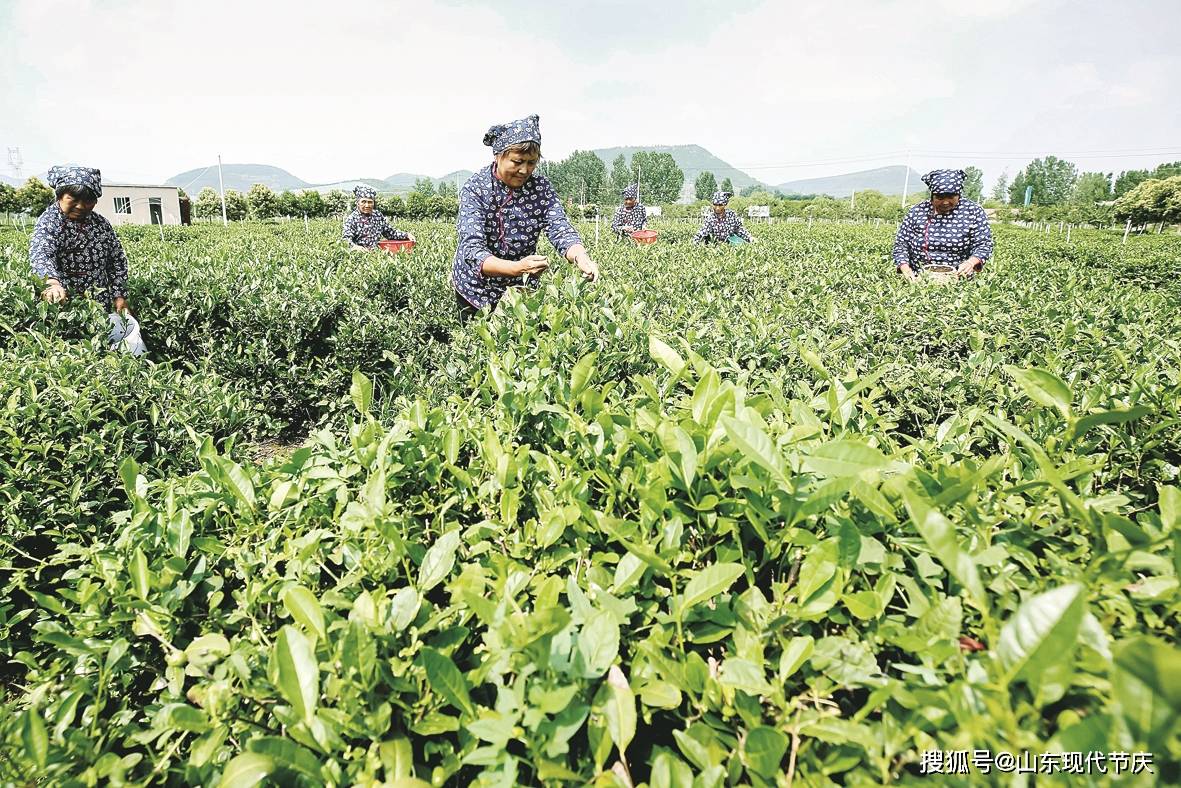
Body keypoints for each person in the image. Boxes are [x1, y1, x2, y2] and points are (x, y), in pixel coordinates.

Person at [451, 114, 599, 318]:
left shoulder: (540, 188)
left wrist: (581, 257)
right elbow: (473, 252)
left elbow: (560, 227)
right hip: (477, 289)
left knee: (517, 339)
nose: (524, 170)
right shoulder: (476, 189)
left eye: (531, 162)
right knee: (478, 341)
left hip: (521, 286)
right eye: (517, 161)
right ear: (498, 156)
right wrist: (517, 268)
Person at [29, 166, 130, 313]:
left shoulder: (101, 224)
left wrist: (119, 295)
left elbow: (116, 260)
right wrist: (52, 283)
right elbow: (41, 253)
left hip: (99, 305)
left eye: (88, 200)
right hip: (64, 305)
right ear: (60, 196)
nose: (80, 206)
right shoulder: (50, 221)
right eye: (73, 199)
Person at [893, 169, 993, 280]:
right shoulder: (917, 211)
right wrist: (906, 270)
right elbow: (901, 244)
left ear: (959, 195)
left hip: (958, 278)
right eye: (940, 198)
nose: (945, 202)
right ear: (932, 196)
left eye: (951, 197)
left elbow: (984, 244)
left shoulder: (973, 211)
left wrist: (970, 263)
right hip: (918, 278)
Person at [342, 185, 414, 250]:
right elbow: (346, 240)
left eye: (370, 202)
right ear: (357, 203)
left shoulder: (377, 216)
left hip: (376, 256)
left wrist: (406, 235)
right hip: (359, 257)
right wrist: (355, 247)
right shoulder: (352, 219)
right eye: (363, 202)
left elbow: (389, 232)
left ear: (374, 203)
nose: (367, 205)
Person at [692, 190, 756, 245]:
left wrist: (750, 238)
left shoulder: (731, 215)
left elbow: (739, 229)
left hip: (729, 242)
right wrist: (694, 243)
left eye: (720, 205)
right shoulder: (710, 218)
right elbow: (702, 232)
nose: (717, 208)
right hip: (714, 244)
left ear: (725, 204)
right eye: (715, 204)